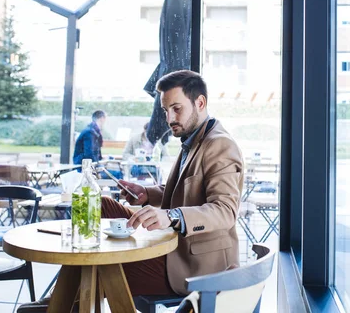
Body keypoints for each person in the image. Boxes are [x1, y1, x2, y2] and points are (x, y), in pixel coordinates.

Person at [102, 70, 244, 296]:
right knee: (103, 205)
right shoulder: (193, 139)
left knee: (103, 269)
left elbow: (225, 211)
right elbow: (188, 188)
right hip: (172, 249)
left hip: (195, 267)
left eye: (177, 109)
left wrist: (171, 216)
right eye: (166, 111)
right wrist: (148, 194)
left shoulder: (220, 145)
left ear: (200, 102)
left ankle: (55, 305)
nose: (169, 119)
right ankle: (59, 302)